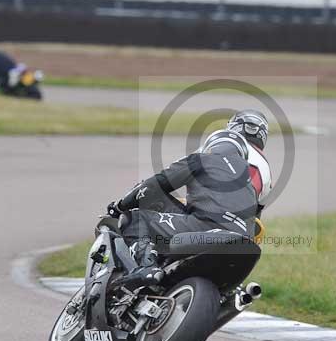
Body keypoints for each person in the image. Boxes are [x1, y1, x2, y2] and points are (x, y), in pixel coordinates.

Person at [106, 109, 273, 290]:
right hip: (241, 236)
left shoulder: (205, 156)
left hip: (205, 222)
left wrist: (122, 205)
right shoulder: (264, 175)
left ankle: (147, 266)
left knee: (136, 218)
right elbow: (256, 221)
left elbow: (156, 184)